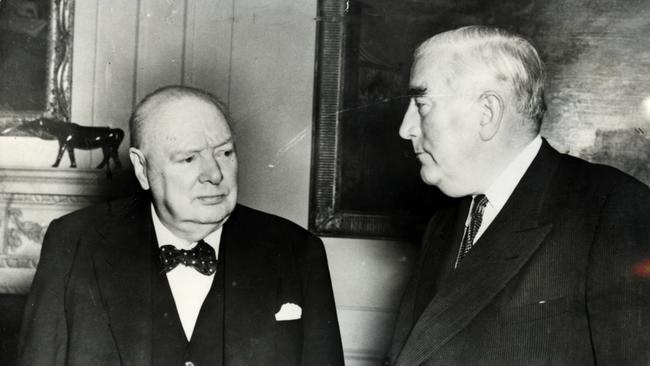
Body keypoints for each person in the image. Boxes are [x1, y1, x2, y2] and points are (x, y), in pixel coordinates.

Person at [17, 86, 344, 366]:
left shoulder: (297, 251)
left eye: (225, 152)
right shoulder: (74, 242)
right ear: (142, 168)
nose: (215, 174)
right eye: (189, 159)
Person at [388, 26, 650, 365]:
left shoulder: (614, 210)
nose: (405, 127)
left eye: (421, 104)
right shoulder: (443, 225)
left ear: (487, 113)